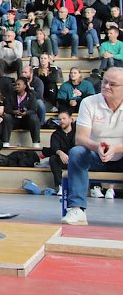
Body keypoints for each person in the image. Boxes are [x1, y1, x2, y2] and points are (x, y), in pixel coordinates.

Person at [62, 67, 123, 225]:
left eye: (113, 84)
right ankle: (77, 209)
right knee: (76, 152)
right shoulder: (89, 102)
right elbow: (80, 138)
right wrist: (98, 147)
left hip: (121, 154)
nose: (106, 87)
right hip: (96, 154)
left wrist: (115, 149)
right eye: (104, 82)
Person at [45, 108, 76, 195]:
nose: (61, 121)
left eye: (64, 118)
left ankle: (94, 188)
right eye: (59, 119)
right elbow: (54, 148)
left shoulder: (77, 132)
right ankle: (60, 185)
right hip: (63, 159)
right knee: (53, 159)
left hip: (75, 158)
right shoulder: (56, 134)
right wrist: (60, 153)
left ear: (71, 120)